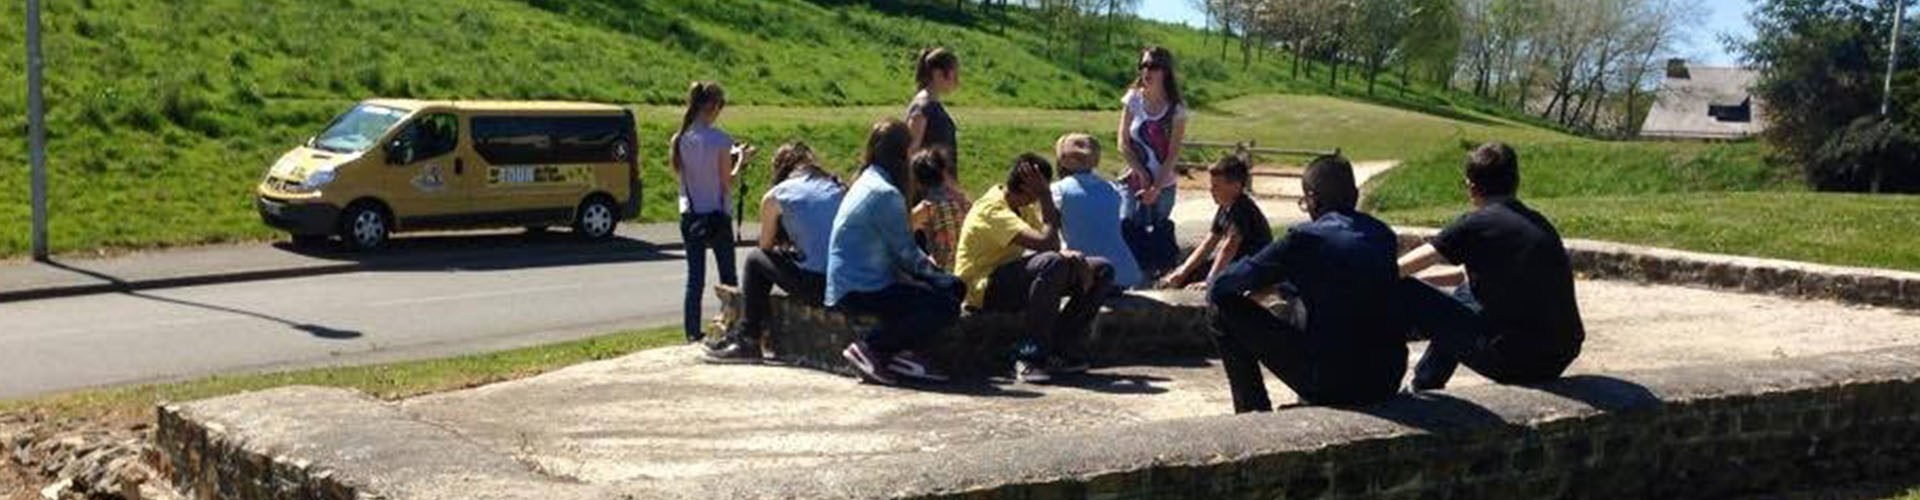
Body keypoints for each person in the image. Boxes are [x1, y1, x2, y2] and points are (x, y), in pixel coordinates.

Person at [1207, 155, 1405, 413]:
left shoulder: (1304, 239)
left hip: (1330, 382)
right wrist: (1283, 287)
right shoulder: (1383, 235)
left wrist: (1265, 284)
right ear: (1355, 195)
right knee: (1306, 303)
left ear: (1312, 199)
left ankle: (1253, 409)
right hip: (1386, 380)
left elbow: (1223, 285)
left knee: (1220, 309)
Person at [1397, 142, 1585, 391]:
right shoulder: (1537, 222)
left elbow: (1403, 267)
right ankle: (1428, 379)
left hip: (1514, 361)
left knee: (1406, 291)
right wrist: (1429, 288)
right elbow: (1465, 277)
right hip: (1559, 354)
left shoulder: (1476, 224)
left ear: (1472, 187)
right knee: (1465, 293)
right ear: (1516, 182)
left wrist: (1374, 276)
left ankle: (1419, 382)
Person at [952, 153, 1115, 383]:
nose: (1040, 196)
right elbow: (1047, 244)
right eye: (1039, 189)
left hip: (1009, 278)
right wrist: (1046, 196)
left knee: (1102, 270)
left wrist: (1072, 258)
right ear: (1028, 187)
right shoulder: (992, 210)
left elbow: (1051, 244)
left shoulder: (1022, 206)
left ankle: (1060, 349)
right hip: (980, 288)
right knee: (1052, 264)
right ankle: (1028, 355)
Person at [827, 119, 963, 386]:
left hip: (847, 282)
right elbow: (906, 254)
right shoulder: (885, 193)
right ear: (903, 152)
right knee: (945, 303)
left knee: (925, 295)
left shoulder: (867, 180)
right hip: (861, 288)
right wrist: (943, 278)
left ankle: (901, 354)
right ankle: (872, 347)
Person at [706, 142, 845, 363]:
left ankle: (748, 338)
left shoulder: (777, 195)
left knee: (755, 260)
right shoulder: (836, 187)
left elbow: (766, 248)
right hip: (844, 282)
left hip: (817, 285)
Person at [673, 81, 755, 344]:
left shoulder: (680, 138)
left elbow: (683, 174)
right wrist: (741, 160)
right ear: (714, 106)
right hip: (717, 214)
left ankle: (691, 332)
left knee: (694, 278)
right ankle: (732, 327)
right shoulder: (720, 139)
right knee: (728, 276)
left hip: (690, 213)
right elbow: (726, 182)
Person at [1159, 155, 1272, 290]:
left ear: (1235, 186)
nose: (1211, 190)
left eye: (1216, 186)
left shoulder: (1242, 209)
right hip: (1237, 262)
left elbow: (1229, 247)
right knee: (1186, 276)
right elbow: (1209, 243)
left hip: (1254, 267)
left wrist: (1210, 281)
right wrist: (1182, 272)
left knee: (1214, 286)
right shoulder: (1225, 207)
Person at [1050, 133, 1143, 290]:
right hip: (1122, 273)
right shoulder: (1111, 188)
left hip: (1085, 272)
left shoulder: (1058, 190)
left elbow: (1050, 230)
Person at [1116, 46, 1190, 225]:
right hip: (1132, 182)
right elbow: (1123, 143)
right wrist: (1142, 173)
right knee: (1126, 227)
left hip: (1163, 186)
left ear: (1166, 71)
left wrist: (1155, 188)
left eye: (1154, 66)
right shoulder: (1133, 99)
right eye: (1143, 65)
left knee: (1155, 235)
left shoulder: (1177, 109)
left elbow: (1173, 154)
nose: (1147, 71)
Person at [907, 47, 966, 200]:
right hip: (930, 190)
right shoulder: (922, 107)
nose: (957, 81)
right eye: (954, 75)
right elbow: (912, 150)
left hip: (941, 187)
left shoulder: (932, 105)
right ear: (938, 74)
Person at [910, 149, 969, 271]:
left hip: (944, 272)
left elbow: (899, 234)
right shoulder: (963, 201)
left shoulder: (927, 208)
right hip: (966, 267)